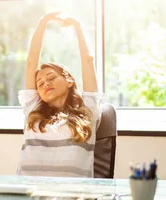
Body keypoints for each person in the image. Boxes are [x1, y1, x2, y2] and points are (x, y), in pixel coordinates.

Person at [17, 12, 105, 178]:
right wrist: (43, 22)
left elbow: (88, 60)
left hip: (71, 194)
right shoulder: (32, 109)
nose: (46, 84)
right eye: (40, 84)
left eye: (51, 78)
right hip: (29, 192)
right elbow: (30, 62)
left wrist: (78, 27)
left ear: (69, 81)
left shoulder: (88, 110)